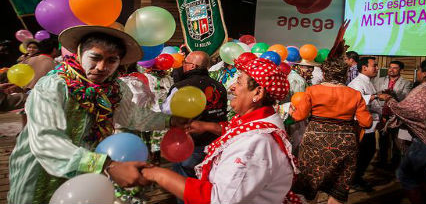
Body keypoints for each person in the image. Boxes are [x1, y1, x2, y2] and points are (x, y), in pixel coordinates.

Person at [8, 25, 172, 204]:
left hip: (86, 174)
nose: (102, 67)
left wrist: (170, 120)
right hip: (40, 172)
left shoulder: (116, 89)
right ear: (79, 54)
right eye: (95, 57)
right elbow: (46, 139)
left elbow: (132, 117)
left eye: (111, 61)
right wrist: (107, 165)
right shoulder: (53, 86)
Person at [141, 57, 295, 204]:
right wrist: (205, 126)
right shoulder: (258, 124)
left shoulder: (256, 143)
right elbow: (237, 130)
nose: (232, 87)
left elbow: (218, 199)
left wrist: (156, 174)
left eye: (239, 82)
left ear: (258, 93)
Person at [291, 42, 372, 204]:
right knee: (338, 185)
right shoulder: (355, 94)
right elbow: (366, 122)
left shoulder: (312, 91)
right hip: (344, 144)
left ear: (325, 73)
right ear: (345, 73)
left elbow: (298, 117)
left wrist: (293, 109)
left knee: (310, 184)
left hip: (315, 143)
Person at [378, 59, 426, 204]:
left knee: (405, 175)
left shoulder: (424, 89)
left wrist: (388, 99)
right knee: (419, 175)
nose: (418, 73)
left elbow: (405, 110)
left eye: (420, 70)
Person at [160, 51, 228, 201]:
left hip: (190, 144)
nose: (182, 65)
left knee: (185, 187)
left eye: (185, 63)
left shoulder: (181, 86)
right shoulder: (219, 86)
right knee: (207, 187)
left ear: (192, 66)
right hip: (215, 144)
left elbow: (165, 110)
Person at [348, 56, 382, 191]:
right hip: (360, 125)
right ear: (364, 68)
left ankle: (357, 177)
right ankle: (354, 179)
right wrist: (377, 96)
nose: (377, 68)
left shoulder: (367, 81)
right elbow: (357, 100)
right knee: (363, 153)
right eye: (374, 66)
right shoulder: (357, 83)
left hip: (370, 124)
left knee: (368, 152)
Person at [373, 60, 413, 168]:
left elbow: (406, 98)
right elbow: (376, 94)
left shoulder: (406, 83)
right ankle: (382, 161)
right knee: (382, 139)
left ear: (401, 70)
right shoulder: (379, 80)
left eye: (395, 68)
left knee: (397, 141)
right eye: (390, 67)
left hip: (397, 116)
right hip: (382, 114)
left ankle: (395, 164)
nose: (391, 70)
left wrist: (392, 95)